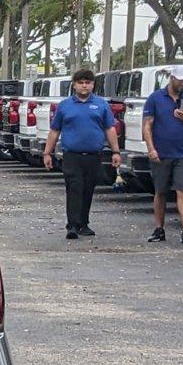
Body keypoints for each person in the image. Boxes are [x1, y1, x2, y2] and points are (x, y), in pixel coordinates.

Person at [43, 68, 121, 239]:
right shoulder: (65, 106)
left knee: (88, 189)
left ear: (93, 85)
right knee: (74, 188)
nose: (84, 86)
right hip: (72, 155)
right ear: (74, 85)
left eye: (87, 83)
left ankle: (83, 223)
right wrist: (47, 153)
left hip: (94, 155)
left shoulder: (101, 105)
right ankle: (72, 225)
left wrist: (115, 151)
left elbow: (109, 129)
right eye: (80, 83)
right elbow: (55, 130)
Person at [142, 65, 183, 243]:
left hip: (182, 152)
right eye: (180, 80)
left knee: (182, 188)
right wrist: (151, 148)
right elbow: (147, 125)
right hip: (161, 152)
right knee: (160, 190)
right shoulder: (155, 99)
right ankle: (159, 228)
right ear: (172, 78)